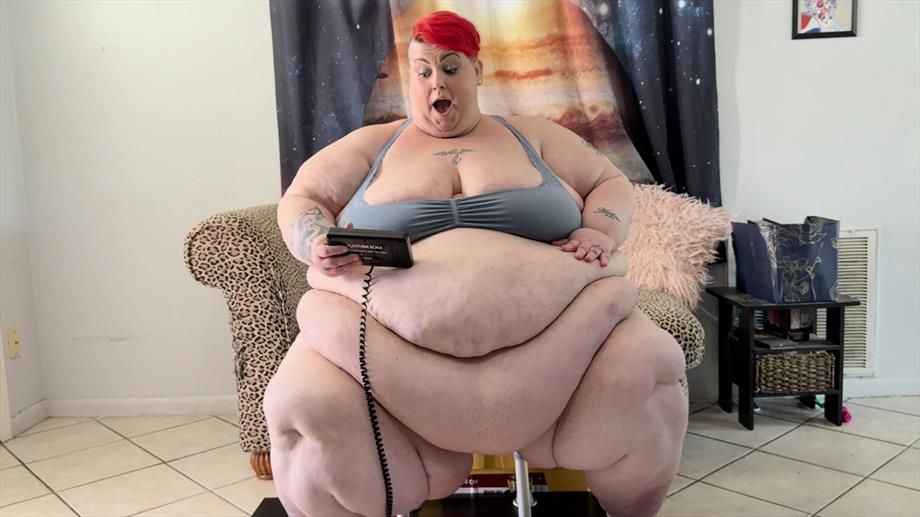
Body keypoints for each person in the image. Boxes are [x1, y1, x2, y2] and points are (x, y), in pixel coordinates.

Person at [266, 11, 686, 517]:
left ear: (477, 71)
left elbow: (610, 183)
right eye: (423, 71)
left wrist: (599, 230)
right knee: (300, 405)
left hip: (572, 339)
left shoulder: (534, 135)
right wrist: (313, 239)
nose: (436, 83)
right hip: (377, 349)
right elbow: (303, 198)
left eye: (451, 68)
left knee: (652, 365)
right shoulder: (371, 146)